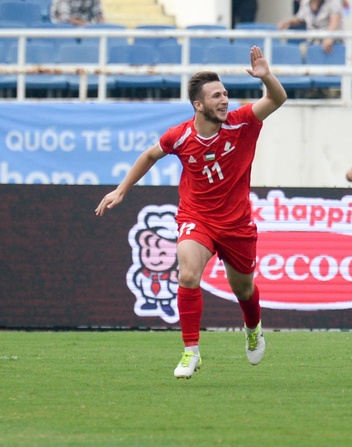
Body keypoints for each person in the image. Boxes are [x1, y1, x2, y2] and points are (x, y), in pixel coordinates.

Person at [95, 46, 287, 379]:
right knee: (187, 274)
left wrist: (266, 76)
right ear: (198, 105)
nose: (224, 100)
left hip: (237, 223)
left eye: (225, 94)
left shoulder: (243, 122)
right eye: (216, 96)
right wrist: (121, 189)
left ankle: (253, 327)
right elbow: (149, 156)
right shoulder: (180, 136)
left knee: (243, 289)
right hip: (196, 218)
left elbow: (277, 99)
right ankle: (190, 352)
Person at [279, 0, 343, 53]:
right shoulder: (305, 2)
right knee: (298, 52)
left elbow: (334, 22)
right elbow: (301, 18)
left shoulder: (334, 2)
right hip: (311, 42)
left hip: (332, 43)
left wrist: (329, 37)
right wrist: (288, 22)